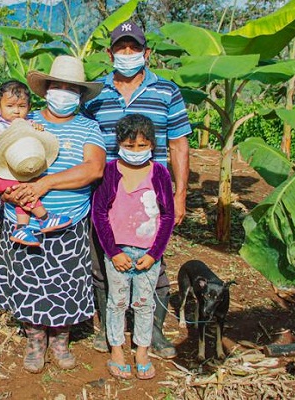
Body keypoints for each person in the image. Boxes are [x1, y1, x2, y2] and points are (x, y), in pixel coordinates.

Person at [83, 20, 191, 358]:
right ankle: (108, 331)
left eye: (133, 48)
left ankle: (152, 333)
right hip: (105, 193)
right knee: (104, 263)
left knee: (153, 264)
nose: (127, 54)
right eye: (121, 48)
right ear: (110, 53)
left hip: (151, 195)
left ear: (146, 52)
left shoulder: (167, 91)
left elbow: (178, 144)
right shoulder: (95, 93)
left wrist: (180, 193)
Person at [0, 55, 106, 373]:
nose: (64, 93)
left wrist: (45, 184)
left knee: (66, 283)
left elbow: (94, 168)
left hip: (67, 221)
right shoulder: (21, 124)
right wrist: (7, 190)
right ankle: (35, 342)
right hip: (23, 221)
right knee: (28, 280)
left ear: (81, 95)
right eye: (58, 86)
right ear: (46, 90)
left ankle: (60, 341)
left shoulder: (88, 127)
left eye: (72, 88)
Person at [92, 114, 175, 380]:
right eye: (130, 146)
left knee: (143, 302)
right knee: (116, 302)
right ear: (119, 145)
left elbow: (167, 216)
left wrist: (154, 254)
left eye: (142, 146)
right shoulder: (110, 172)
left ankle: (142, 350)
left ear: (152, 145)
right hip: (118, 253)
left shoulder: (160, 173)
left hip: (148, 254)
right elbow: (100, 214)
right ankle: (116, 349)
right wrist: (113, 252)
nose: (136, 151)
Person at [0, 80, 72, 247]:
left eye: (21, 106)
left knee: (21, 192)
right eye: (10, 106)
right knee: (23, 191)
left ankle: (22, 227)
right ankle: (44, 218)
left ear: (29, 107)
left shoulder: (27, 124)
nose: (16, 111)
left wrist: (36, 128)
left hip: (18, 171)